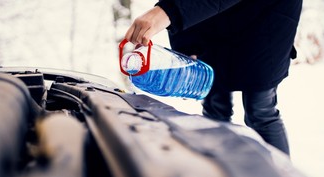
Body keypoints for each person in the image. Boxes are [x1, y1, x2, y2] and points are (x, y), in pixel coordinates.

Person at [124, 0, 303, 156]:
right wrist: (185, 46)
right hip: (212, 18)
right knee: (215, 103)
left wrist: (167, 11)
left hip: (267, 18)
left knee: (260, 110)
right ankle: (220, 171)